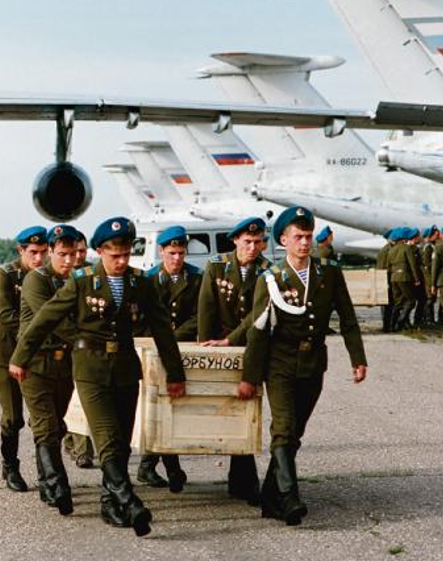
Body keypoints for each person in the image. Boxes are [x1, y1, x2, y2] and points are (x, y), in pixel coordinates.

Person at [11, 217, 186, 535]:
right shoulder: (81, 281)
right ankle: (130, 502)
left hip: (125, 370)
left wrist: (176, 374)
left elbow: (162, 329)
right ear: (100, 251)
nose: (120, 261)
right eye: (114, 255)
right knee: (106, 440)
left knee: (120, 444)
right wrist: (20, 358)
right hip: (90, 371)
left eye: (125, 254)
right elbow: (44, 320)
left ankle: (110, 503)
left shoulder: (139, 283)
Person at [240, 206, 367, 526]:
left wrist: (358, 359)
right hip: (279, 364)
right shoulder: (271, 278)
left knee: (294, 433)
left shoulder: (329, 272)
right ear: (283, 240)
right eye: (298, 237)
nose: (305, 242)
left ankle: (271, 498)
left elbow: (348, 318)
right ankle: (290, 496)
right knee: (282, 428)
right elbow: (258, 330)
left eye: (308, 236)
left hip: (313, 364)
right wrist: (250, 378)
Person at [197, 216, 271, 505]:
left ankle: (244, 479)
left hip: (252, 344)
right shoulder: (217, 265)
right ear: (236, 241)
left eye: (258, 242)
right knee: (221, 408)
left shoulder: (268, 270)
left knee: (247, 409)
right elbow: (207, 305)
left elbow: (258, 313)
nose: (252, 247)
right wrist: (206, 346)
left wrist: (232, 341)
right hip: (220, 345)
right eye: (247, 242)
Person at [10, 225, 80, 515]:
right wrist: (90, 341)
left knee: (57, 425)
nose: (68, 260)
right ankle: (59, 486)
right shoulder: (36, 281)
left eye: (73, 254)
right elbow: (54, 322)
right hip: (35, 363)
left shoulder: (80, 279)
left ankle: (45, 484)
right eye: (62, 254)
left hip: (64, 365)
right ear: (51, 252)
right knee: (46, 426)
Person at [134, 225, 201, 493]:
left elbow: (200, 315)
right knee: (158, 406)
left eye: (181, 253)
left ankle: (149, 465)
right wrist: (160, 338)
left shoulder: (196, 278)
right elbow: (141, 318)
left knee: (175, 407)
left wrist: (172, 336)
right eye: (171, 253)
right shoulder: (148, 280)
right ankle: (171, 469)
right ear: (161, 251)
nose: (176, 259)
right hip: (154, 351)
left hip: (184, 348)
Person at [0, 226, 48, 492]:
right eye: (33, 252)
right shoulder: (6, 275)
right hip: (6, 352)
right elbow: (6, 315)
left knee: (44, 417)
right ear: (21, 250)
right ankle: (10, 467)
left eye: (44, 252)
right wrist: (39, 334)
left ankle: (47, 473)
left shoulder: (48, 276)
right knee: (13, 416)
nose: (39, 258)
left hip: (38, 354)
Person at [63, 232, 96, 469]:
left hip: (84, 347)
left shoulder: (94, 274)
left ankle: (84, 451)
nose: (78, 256)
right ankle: (68, 438)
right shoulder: (52, 273)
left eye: (82, 252)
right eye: (75, 251)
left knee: (81, 400)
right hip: (58, 347)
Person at [388, 228, 421, 331]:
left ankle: (391, 325)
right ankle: (401, 321)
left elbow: (388, 266)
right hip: (404, 277)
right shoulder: (406, 248)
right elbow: (412, 264)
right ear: (404, 238)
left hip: (394, 278)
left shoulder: (391, 250)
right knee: (411, 300)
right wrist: (416, 279)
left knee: (398, 302)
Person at [376, 229, 396, 333]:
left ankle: (388, 325)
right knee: (387, 304)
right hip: (386, 279)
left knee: (389, 304)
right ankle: (387, 326)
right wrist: (385, 282)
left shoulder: (389, 249)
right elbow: (382, 267)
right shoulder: (386, 250)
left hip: (387, 278)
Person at [420, 227, 439, 327]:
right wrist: (431, 281)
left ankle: (429, 319)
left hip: (428, 276)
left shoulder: (429, 246)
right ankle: (428, 319)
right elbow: (427, 265)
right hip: (428, 277)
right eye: (435, 235)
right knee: (430, 298)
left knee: (431, 298)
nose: (437, 236)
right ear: (430, 236)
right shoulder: (428, 247)